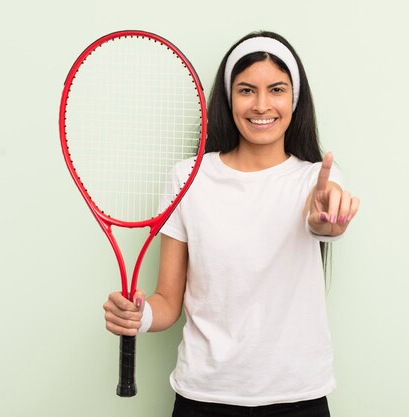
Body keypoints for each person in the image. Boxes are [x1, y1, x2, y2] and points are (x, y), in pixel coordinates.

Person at [103, 30, 360, 416]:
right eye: (245, 90)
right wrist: (140, 316)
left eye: (276, 89)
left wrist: (327, 221)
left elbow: (321, 220)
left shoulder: (316, 179)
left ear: (295, 98)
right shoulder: (187, 178)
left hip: (298, 397)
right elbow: (168, 302)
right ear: (228, 98)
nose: (261, 105)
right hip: (204, 398)